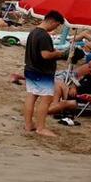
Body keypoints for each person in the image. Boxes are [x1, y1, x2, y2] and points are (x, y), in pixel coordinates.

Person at [23, 8, 63, 139]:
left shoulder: (33, 32)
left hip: (30, 68)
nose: (55, 28)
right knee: (46, 99)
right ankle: (41, 127)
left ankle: (28, 124)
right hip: (42, 71)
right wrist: (58, 54)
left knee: (31, 96)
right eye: (56, 25)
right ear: (52, 21)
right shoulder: (44, 35)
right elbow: (45, 55)